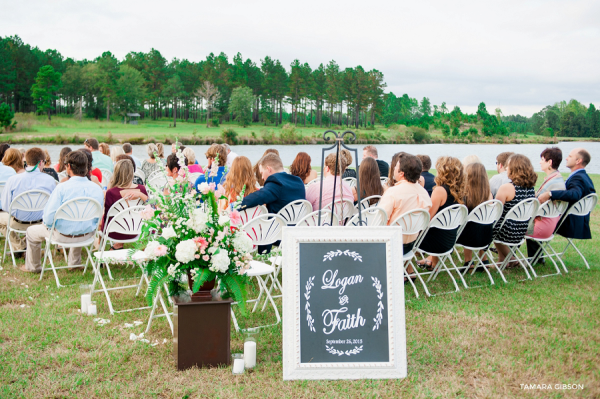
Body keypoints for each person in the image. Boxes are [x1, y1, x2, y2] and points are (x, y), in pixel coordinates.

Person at [24, 151, 104, 273]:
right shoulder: (96, 188)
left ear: (69, 167)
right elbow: (97, 217)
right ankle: (74, 263)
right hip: (87, 235)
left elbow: (48, 218)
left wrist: (49, 227)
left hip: (62, 236)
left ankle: (33, 267)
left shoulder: (62, 188)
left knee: (31, 232)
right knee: (79, 223)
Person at [379, 154, 432, 277]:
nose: (393, 169)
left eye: (396, 167)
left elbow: (380, 220)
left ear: (401, 173)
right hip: (411, 245)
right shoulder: (424, 193)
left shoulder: (393, 192)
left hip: (390, 245)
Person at [0, 148, 57, 256]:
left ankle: (19, 246)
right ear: (41, 162)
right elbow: (52, 205)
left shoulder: (13, 180)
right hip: (41, 222)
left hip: (18, 223)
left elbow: (6, 206)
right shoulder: (50, 180)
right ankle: (25, 244)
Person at [417, 156, 465, 270]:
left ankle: (407, 268)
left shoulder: (440, 190)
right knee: (438, 227)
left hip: (434, 243)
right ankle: (432, 261)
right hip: (449, 239)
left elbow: (427, 218)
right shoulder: (462, 191)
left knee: (408, 232)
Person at [538, 148, 595, 241]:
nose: (566, 158)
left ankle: (534, 255)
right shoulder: (584, 176)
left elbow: (575, 194)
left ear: (578, 161)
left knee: (531, 224)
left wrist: (550, 194)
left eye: (570, 156)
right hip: (580, 222)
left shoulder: (578, 178)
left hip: (569, 222)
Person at [493, 154, 537, 267]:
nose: (506, 168)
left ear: (514, 169)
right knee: (498, 226)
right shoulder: (531, 189)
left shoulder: (507, 187)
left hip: (507, 231)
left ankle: (512, 259)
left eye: (508, 166)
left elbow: (495, 210)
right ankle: (503, 261)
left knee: (490, 228)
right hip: (523, 230)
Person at [525, 147, 566, 263]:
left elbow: (536, 203)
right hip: (549, 224)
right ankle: (537, 258)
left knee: (516, 225)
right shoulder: (557, 178)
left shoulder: (553, 182)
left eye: (542, 159)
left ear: (550, 162)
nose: (540, 162)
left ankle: (509, 257)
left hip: (542, 227)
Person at [99, 159, 148, 250]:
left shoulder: (111, 192)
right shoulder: (141, 189)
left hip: (114, 232)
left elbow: (107, 217)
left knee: (103, 219)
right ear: (132, 173)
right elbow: (152, 206)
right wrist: (141, 195)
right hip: (137, 230)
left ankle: (101, 252)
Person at [240, 153, 305, 215]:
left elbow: (259, 197)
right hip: (299, 224)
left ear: (268, 169)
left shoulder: (275, 182)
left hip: (278, 224)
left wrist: (236, 205)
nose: (262, 177)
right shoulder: (298, 181)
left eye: (262, 173)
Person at [456, 162, 494, 267]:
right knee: (477, 224)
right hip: (486, 237)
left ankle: (468, 261)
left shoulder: (464, 195)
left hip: (467, 238)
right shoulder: (488, 194)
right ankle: (484, 260)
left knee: (465, 224)